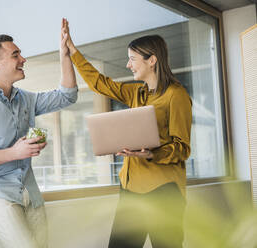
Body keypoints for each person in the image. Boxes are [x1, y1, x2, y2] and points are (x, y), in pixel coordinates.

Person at [63, 19, 192, 248]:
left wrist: (151, 154)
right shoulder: (135, 93)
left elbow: (182, 148)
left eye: (132, 59)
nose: (128, 65)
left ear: (152, 60)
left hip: (163, 192)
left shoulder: (176, 95)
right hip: (130, 189)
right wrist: (72, 50)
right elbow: (99, 83)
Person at [0, 19, 77, 248]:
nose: (23, 59)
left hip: (30, 194)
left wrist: (65, 54)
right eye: (15, 55)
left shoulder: (26, 99)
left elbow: (67, 95)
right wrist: (15, 152)